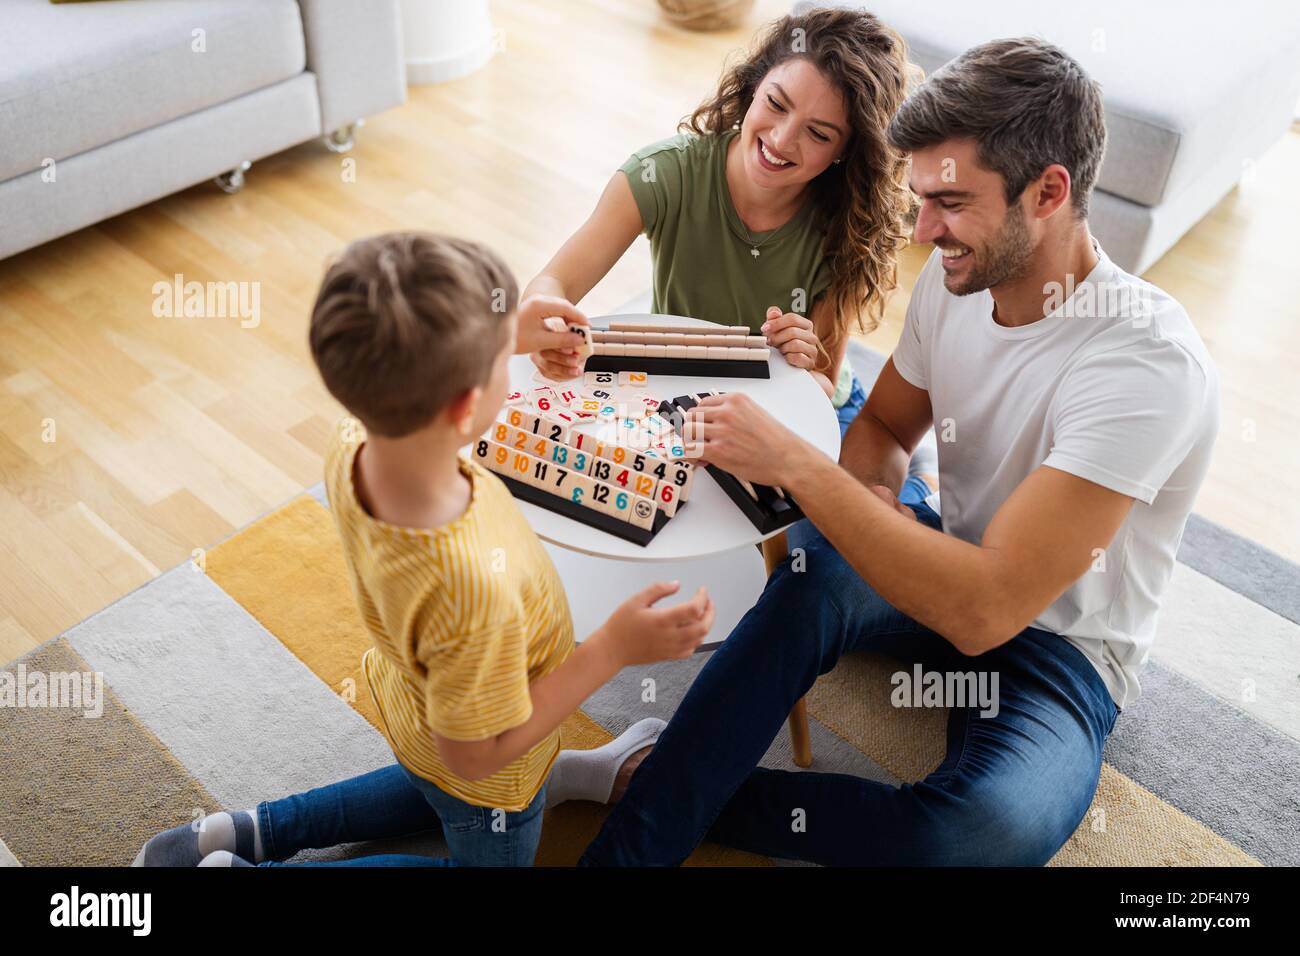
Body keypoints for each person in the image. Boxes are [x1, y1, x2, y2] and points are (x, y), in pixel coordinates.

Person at [579, 38, 1220, 866]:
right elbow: (881, 430)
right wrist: (868, 493)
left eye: (949, 203)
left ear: (1049, 192)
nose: (923, 231)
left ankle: (644, 774)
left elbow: (986, 612)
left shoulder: (1145, 364)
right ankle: (636, 842)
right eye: (920, 199)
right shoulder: (959, 279)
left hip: (1061, 649)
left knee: (983, 833)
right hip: (943, 553)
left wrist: (803, 469)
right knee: (811, 573)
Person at [133, 232, 714, 867]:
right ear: (468, 404)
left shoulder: (356, 434)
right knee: (473, 819)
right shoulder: (469, 589)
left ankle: (245, 832)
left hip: (422, 709)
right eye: (498, 356)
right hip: (490, 770)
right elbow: (476, 752)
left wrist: (499, 334)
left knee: (434, 783)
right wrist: (612, 649)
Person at [527, 8, 914, 447]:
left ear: (844, 153)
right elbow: (554, 281)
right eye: (776, 103)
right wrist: (548, 328)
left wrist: (799, 371)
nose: (782, 140)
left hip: (800, 408)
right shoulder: (662, 175)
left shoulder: (847, 228)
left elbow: (822, 385)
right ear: (753, 86)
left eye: (819, 134)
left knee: (841, 512)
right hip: (678, 389)